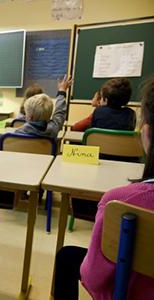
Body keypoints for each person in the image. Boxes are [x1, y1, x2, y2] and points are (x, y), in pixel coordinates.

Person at [54, 77, 154, 300]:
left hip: (97, 175)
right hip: (124, 166)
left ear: (146, 134)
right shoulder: (129, 116)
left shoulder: (119, 202)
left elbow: (93, 279)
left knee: (67, 257)